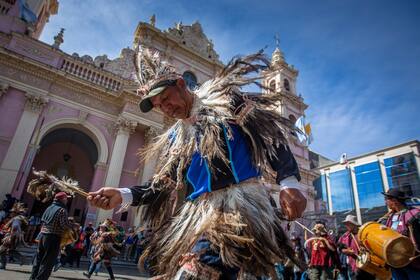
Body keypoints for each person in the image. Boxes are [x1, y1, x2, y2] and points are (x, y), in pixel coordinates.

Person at [88, 47, 307, 278]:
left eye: (166, 97)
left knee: (196, 272)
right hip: (200, 217)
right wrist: (122, 194)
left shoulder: (225, 102)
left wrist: (289, 182)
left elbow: (268, 134)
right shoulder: (176, 138)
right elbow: (163, 185)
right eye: (158, 105)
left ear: (181, 84)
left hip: (240, 208)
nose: (165, 106)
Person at [30, 192, 73, 280]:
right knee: (48, 262)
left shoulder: (49, 208)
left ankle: (32, 278)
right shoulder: (62, 210)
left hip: (42, 236)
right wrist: (72, 226)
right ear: (62, 199)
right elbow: (64, 225)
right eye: (66, 198)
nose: (67, 200)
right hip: (53, 237)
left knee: (38, 260)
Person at [378, 188, 420, 280]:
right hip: (395, 264)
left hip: (413, 263)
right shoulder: (389, 217)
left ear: (394, 201)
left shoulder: (415, 215)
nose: (385, 202)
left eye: (386, 199)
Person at [337, 215, 374, 280]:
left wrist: (364, 249)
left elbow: (371, 247)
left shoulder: (363, 233)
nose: (346, 226)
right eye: (346, 224)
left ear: (353, 224)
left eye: (348, 224)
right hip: (352, 266)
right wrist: (345, 251)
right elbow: (340, 247)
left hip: (366, 265)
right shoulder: (345, 236)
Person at [0, 202, 28, 269]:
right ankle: (22, 259)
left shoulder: (17, 219)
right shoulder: (21, 218)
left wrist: (10, 238)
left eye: (12, 212)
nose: (11, 213)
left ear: (16, 213)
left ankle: (21, 259)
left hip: (12, 237)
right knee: (8, 251)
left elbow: (15, 228)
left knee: (1, 250)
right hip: (15, 237)